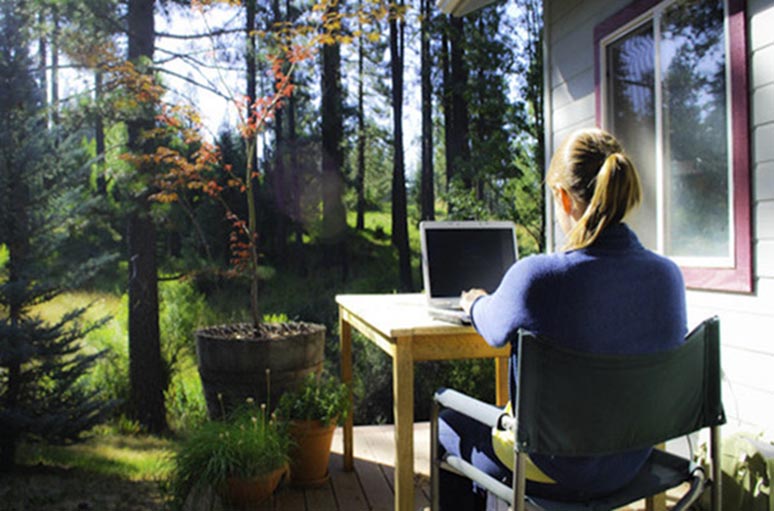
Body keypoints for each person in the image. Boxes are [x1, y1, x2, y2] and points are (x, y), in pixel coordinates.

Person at [437, 128, 687, 509]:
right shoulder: (668, 277)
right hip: (631, 465)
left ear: (563, 197)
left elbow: (491, 329)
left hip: (549, 469)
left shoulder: (538, 277)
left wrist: (473, 304)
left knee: (448, 419)